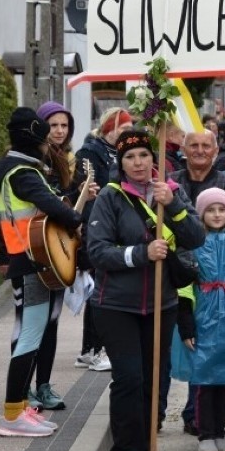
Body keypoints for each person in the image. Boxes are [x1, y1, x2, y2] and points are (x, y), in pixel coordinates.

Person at [87, 129, 205, 451]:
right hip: (115, 306)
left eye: (143, 155)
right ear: (121, 163)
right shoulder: (110, 197)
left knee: (153, 380)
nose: (138, 163)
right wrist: (141, 253)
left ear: (153, 158)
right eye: (130, 157)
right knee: (129, 379)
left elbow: (196, 237)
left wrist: (176, 205)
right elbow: (98, 252)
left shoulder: (172, 191)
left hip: (161, 304)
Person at [0, 108, 84, 438]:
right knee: (29, 338)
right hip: (31, 261)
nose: (50, 145)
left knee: (30, 336)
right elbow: (57, 208)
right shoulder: (23, 173)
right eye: (46, 138)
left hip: (28, 259)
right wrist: (74, 217)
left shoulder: (14, 169)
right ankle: (13, 415)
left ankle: (18, 411)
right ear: (35, 140)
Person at [169, 130, 225, 434]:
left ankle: (215, 425)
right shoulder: (172, 182)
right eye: (194, 145)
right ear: (184, 149)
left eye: (206, 145)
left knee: (224, 366)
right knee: (197, 359)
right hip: (194, 291)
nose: (200, 151)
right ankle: (197, 421)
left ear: (216, 150)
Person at [177, 188, 225, 451]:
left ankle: (220, 432)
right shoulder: (194, 244)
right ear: (201, 213)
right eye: (210, 210)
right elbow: (184, 286)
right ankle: (205, 432)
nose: (217, 214)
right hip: (205, 313)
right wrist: (186, 322)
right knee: (205, 379)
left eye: (221, 209)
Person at [73, 107, 133, 373]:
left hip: (116, 224)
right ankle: (94, 349)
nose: (125, 134)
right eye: (122, 129)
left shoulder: (119, 153)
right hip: (97, 225)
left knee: (101, 286)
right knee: (99, 289)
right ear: (109, 128)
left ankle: (91, 348)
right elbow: (86, 188)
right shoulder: (90, 153)